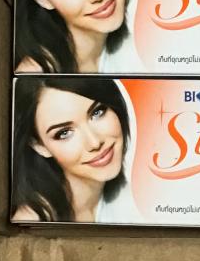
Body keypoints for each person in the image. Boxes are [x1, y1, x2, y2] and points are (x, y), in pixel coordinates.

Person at [12, 77, 131, 223]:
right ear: (39, 145)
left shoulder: (134, 196)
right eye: (64, 133)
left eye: (97, 112)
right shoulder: (32, 221)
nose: (94, 143)